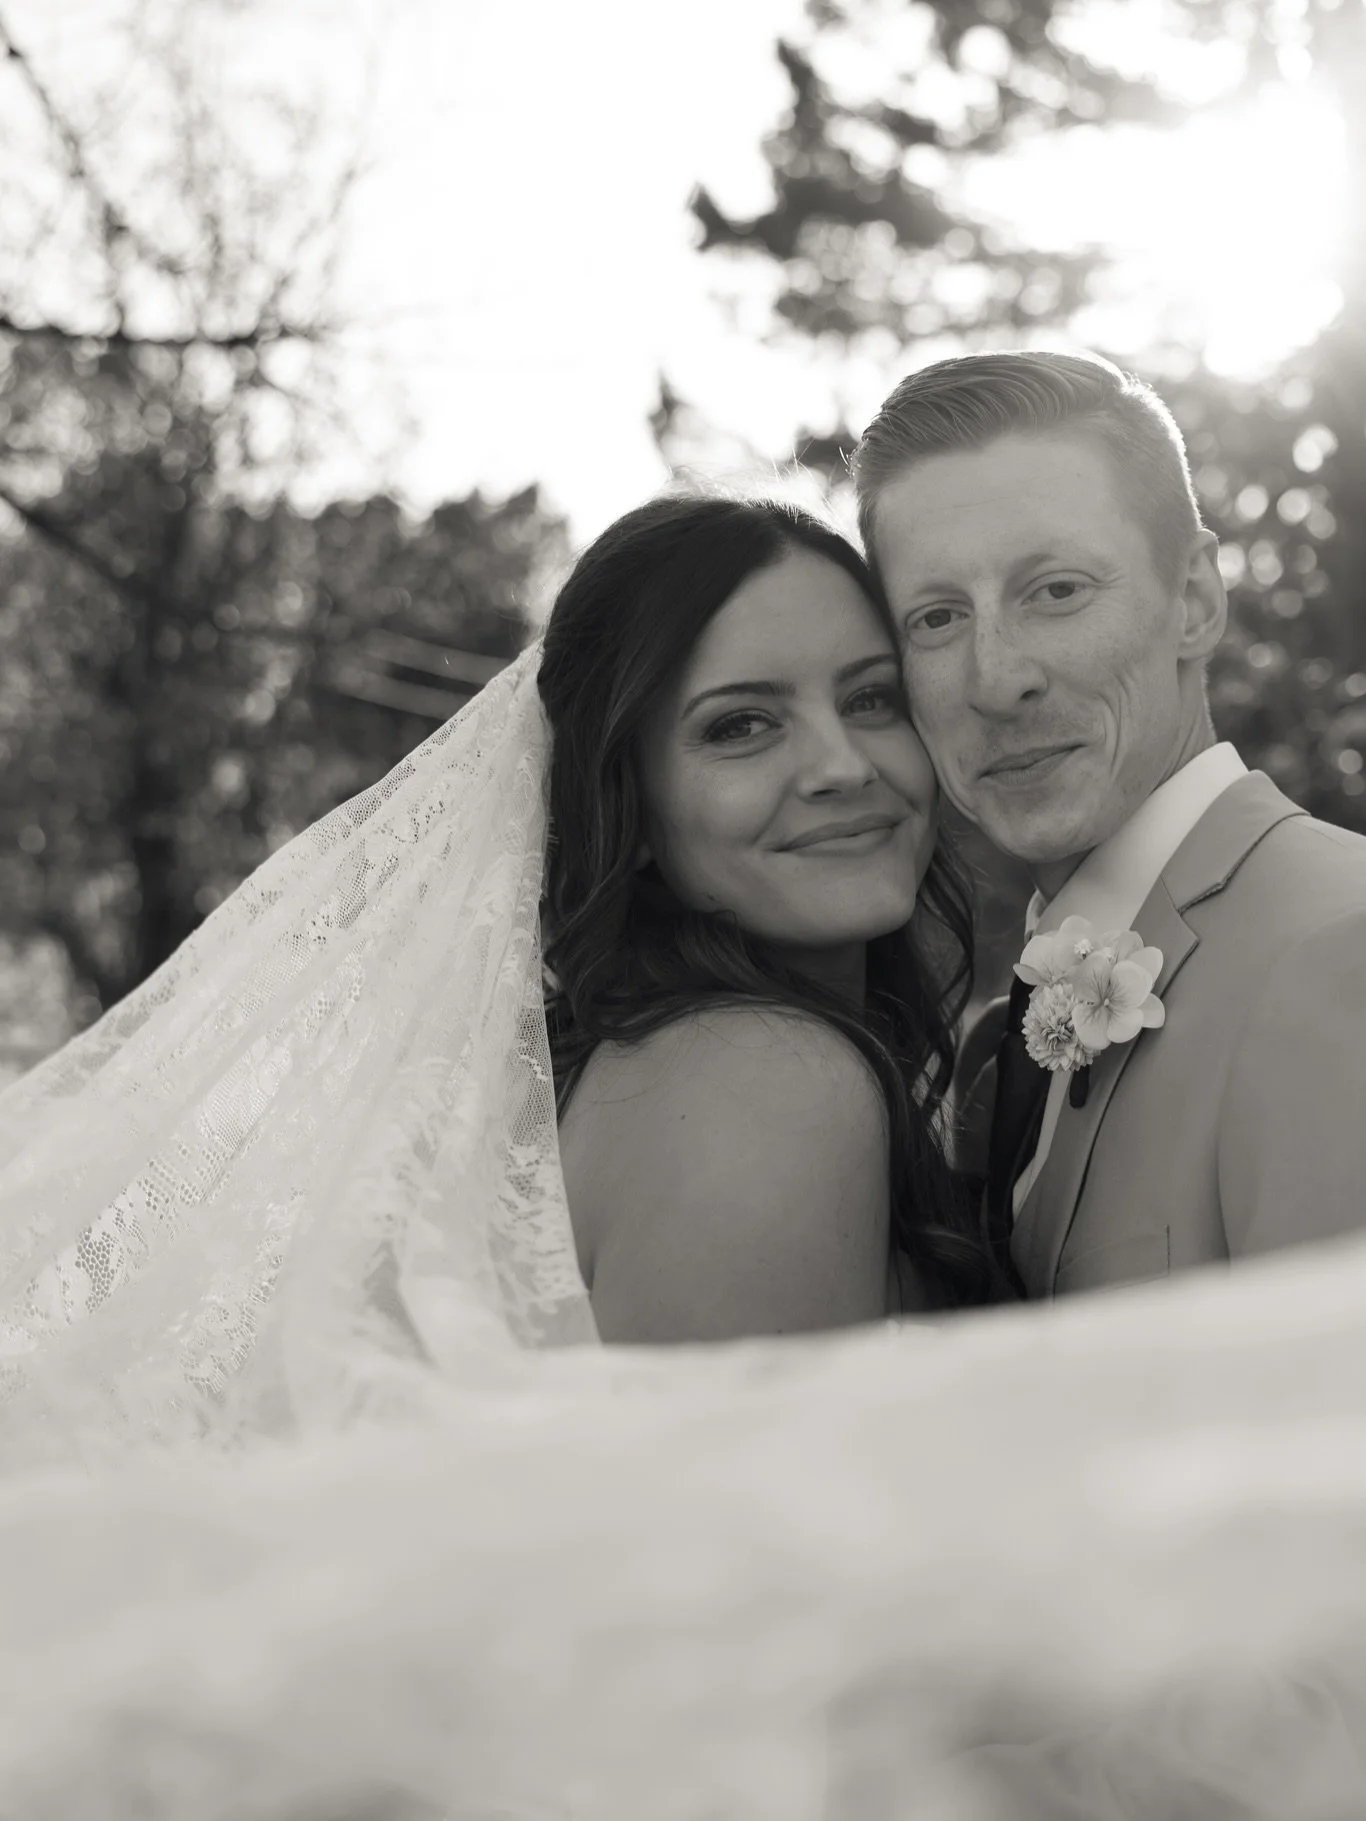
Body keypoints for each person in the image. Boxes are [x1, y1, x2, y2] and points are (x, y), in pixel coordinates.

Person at [854, 347, 1366, 1298]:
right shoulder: (995, 1048)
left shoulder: (1343, 951)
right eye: (935, 618)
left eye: (1057, 590)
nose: (994, 678)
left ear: (1197, 601)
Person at [537, 495, 999, 1339]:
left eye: (871, 699)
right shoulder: (766, 1085)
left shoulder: (666, 1058)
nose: (842, 765)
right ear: (627, 806)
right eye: (741, 724)